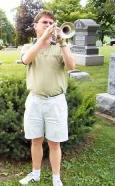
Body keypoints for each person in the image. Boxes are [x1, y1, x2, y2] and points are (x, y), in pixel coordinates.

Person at [19, 10, 75, 186]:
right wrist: (43, 39)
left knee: (54, 142)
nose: (49, 25)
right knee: (36, 139)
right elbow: (27, 60)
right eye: (45, 22)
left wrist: (62, 41)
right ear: (35, 26)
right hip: (35, 100)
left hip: (56, 101)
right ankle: (35, 174)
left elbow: (72, 66)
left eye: (51, 23)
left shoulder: (60, 46)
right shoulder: (28, 47)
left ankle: (56, 178)